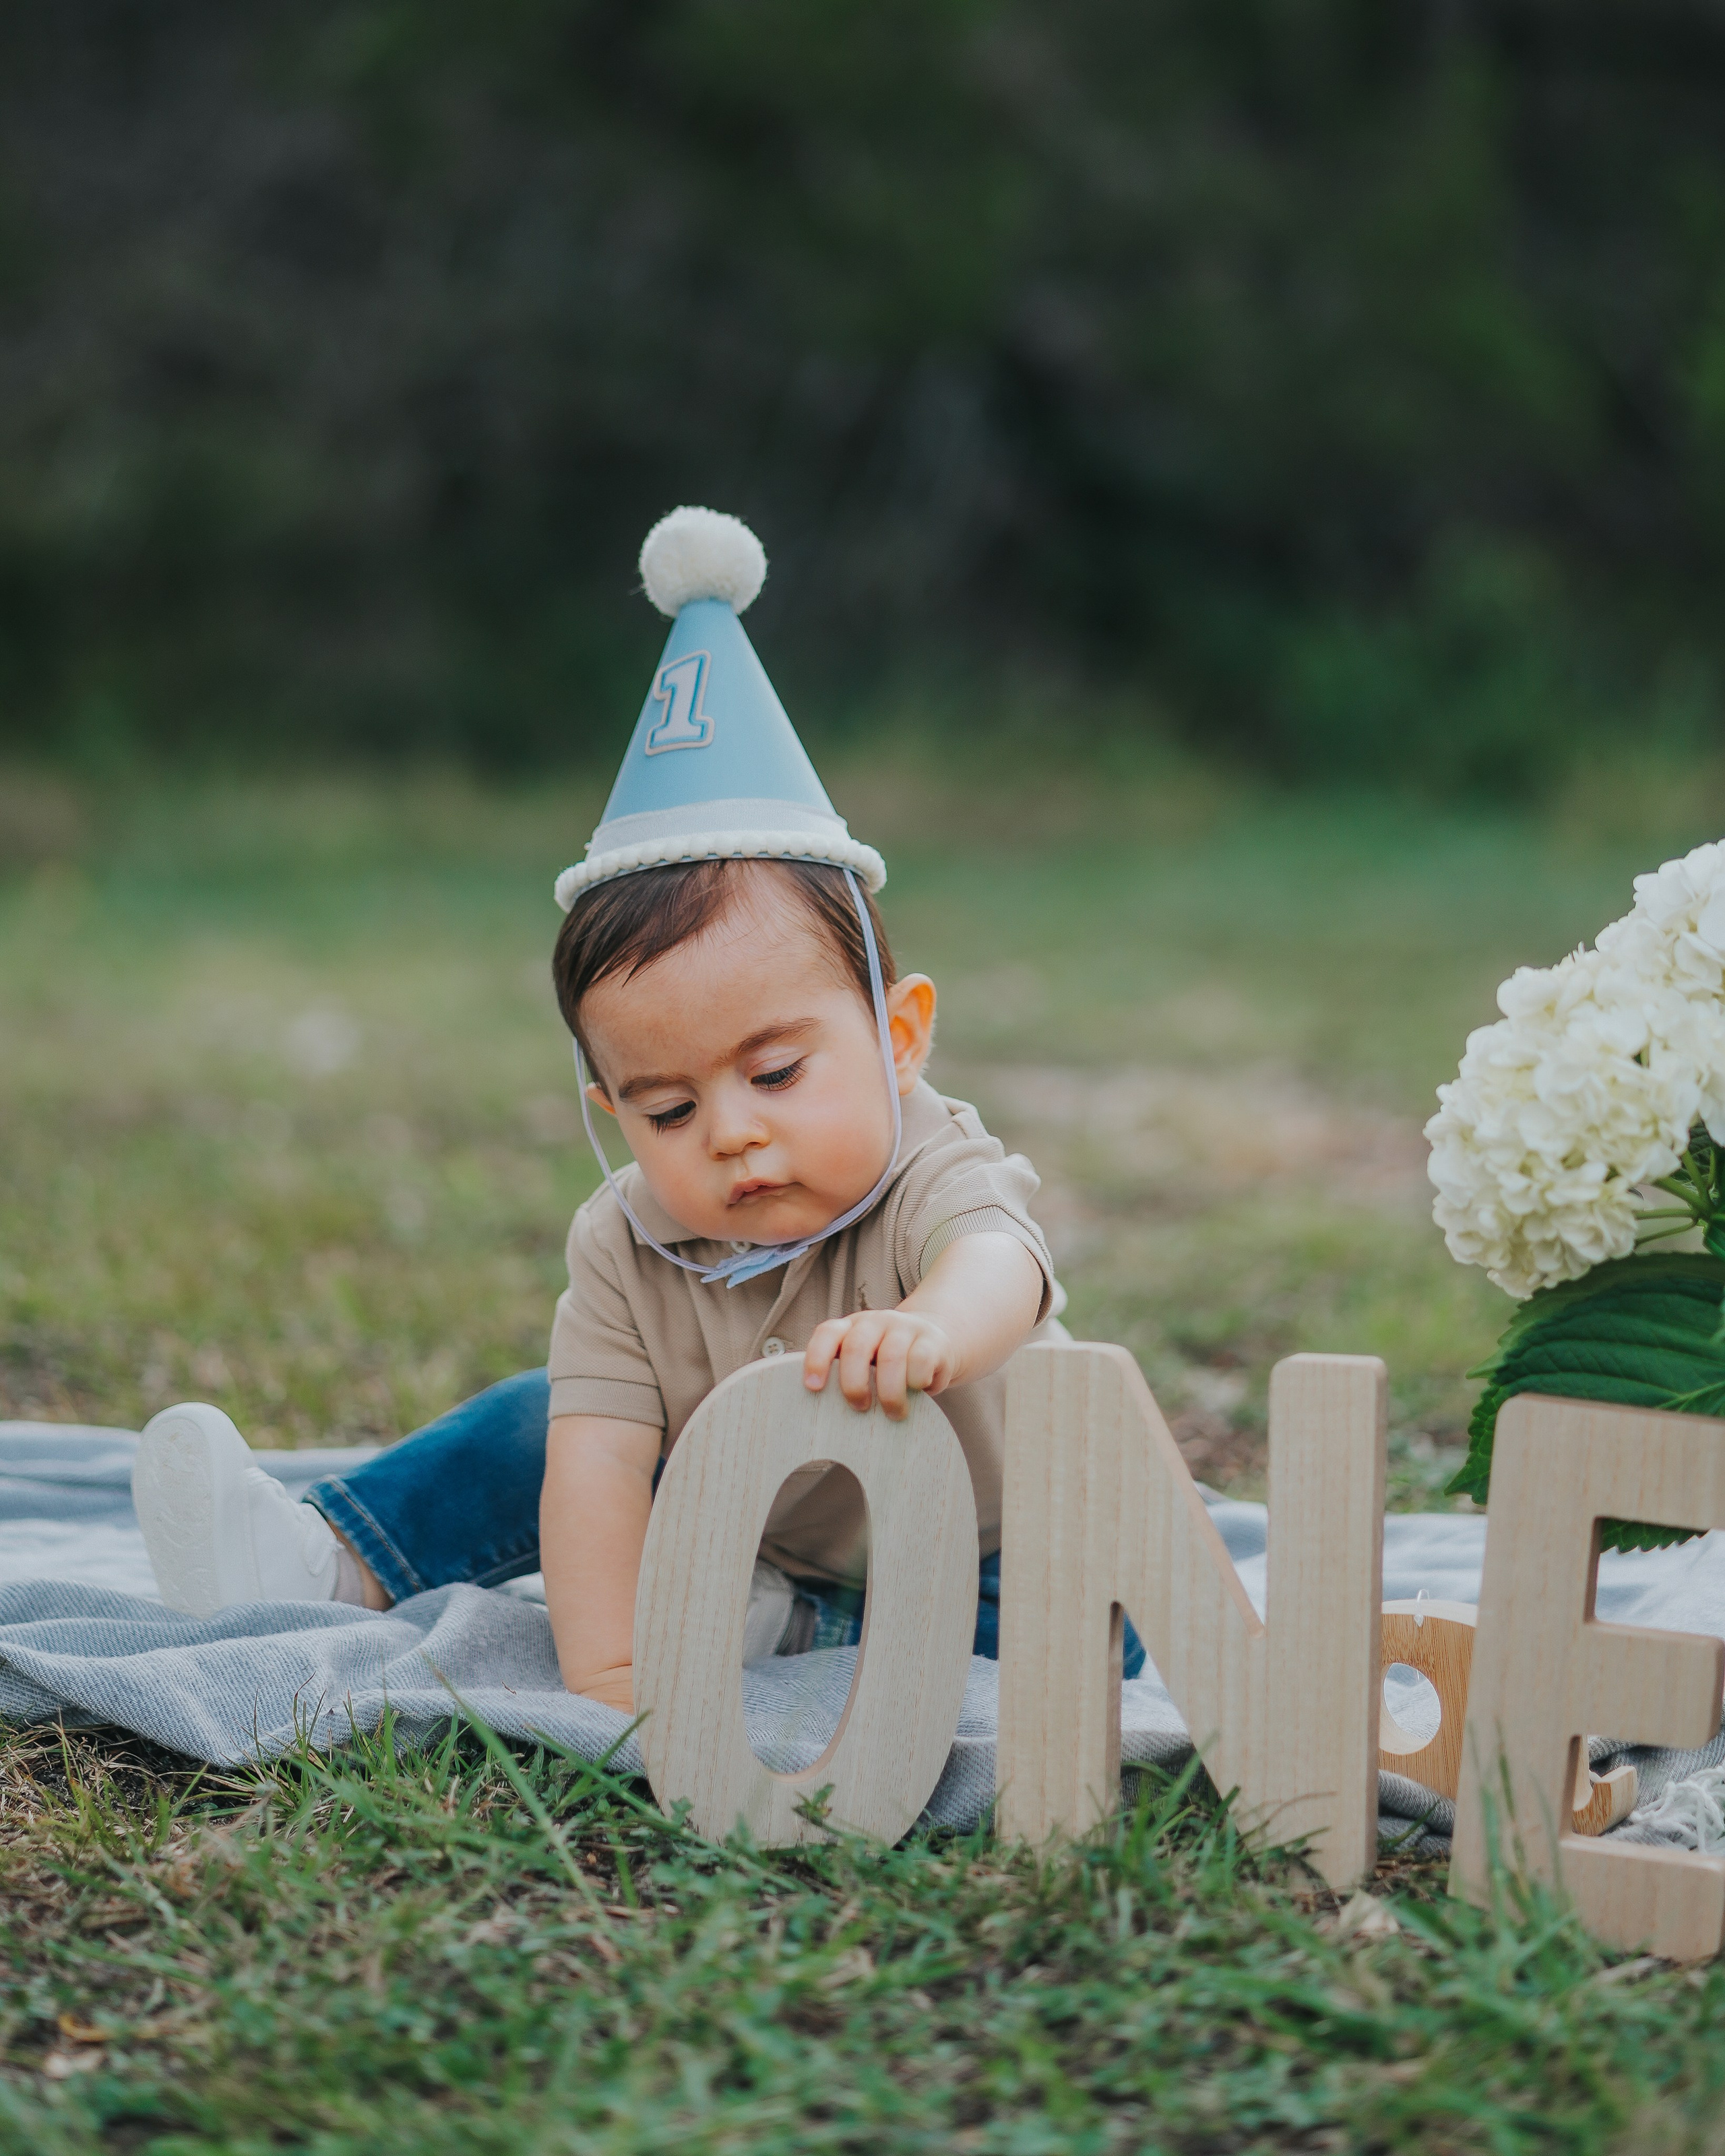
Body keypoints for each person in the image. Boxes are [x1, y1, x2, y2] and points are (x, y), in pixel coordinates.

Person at [133, 506, 1146, 1702]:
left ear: (900, 1037)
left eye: (777, 1074)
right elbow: (605, 1462)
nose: (731, 1132)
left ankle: (785, 1625)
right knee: (543, 1419)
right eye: (668, 1110)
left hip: (994, 1569)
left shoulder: (934, 1169)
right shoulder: (628, 1241)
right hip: (755, 1527)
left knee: (1071, 1628)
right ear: (610, 1111)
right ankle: (327, 1560)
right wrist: (609, 1668)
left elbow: (999, 1269)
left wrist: (933, 1324)